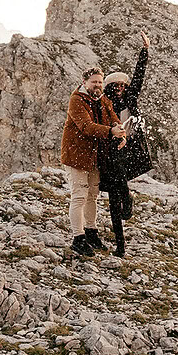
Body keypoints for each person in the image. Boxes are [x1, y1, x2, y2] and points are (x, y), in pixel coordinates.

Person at [60, 67, 127, 257]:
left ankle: (91, 231)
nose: (98, 85)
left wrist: (120, 131)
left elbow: (114, 118)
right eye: (94, 82)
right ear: (84, 82)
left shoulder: (103, 99)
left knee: (92, 196)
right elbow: (86, 127)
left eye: (100, 82)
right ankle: (78, 238)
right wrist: (110, 132)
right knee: (79, 196)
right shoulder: (77, 100)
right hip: (76, 156)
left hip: (95, 156)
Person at [100, 32, 154, 257]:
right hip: (111, 151)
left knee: (118, 186)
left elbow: (139, 76)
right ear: (110, 87)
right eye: (117, 85)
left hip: (129, 149)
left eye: (124, 84)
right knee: (114, 197)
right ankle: (120, 245)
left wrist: (145, 51)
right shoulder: (104, 104)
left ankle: (127, 199)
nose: (121, 87)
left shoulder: (130, 98)